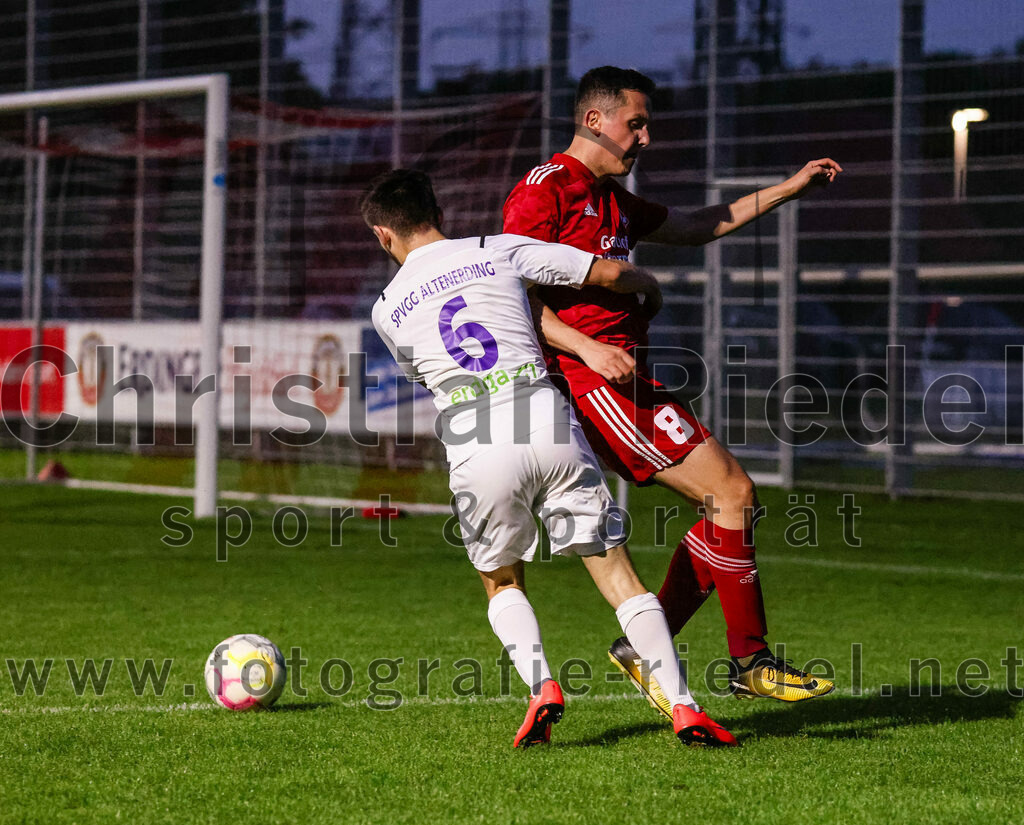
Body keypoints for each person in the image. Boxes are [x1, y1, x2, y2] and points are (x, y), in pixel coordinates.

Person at [503, 66, 841, 715]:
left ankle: (655, 648)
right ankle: (749, 661)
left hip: (631, 381)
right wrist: (587, 347)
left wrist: (790, 188)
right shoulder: (545, 191)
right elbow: (511, 293)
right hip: (590, 383)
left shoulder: (614, 199)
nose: (646, 137)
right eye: (637, 122)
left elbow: (698, 225)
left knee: (731, 501)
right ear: (595, 120)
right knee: (732, 492)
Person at [362, 168, 737, 748]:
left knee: (502, 579)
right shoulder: (498, 249)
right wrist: (648, 285)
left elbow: (423, 370)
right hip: (543, 415)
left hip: (474, 435)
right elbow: (607, 273)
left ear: (385, 235)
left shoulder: (386, 309)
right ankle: (685, 706)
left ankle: (542, 688)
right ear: (437, 211)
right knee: (616, 572)